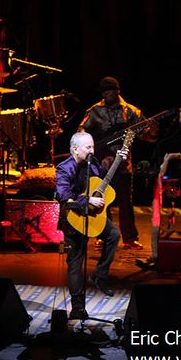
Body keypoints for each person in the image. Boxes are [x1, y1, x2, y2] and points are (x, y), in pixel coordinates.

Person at [78, 76, 158, 250]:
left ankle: (129, 238)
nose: (106, 94)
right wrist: (88, 144)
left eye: (109, 91)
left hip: (123, 163)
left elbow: (145, 135)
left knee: (125, 202)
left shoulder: (130, 111)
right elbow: (82, 130)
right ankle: (102, 235)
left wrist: (152, 130)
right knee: (101, 201)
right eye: (104, 91)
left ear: (117, 91)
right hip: (101, 163)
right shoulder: (94, 111)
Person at [55, 131, 129, 320]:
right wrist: (87, 200)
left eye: (93, 147)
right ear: (74, 149)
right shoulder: (64, 168)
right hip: (73, 219)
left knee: (113, 235)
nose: (92, 151)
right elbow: (63, 195)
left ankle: (99, 274)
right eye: (88, 147)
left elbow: (106, 181)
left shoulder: (93, 162)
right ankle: (78, 308)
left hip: (93, 217)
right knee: (75, 263)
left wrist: (118, 163)